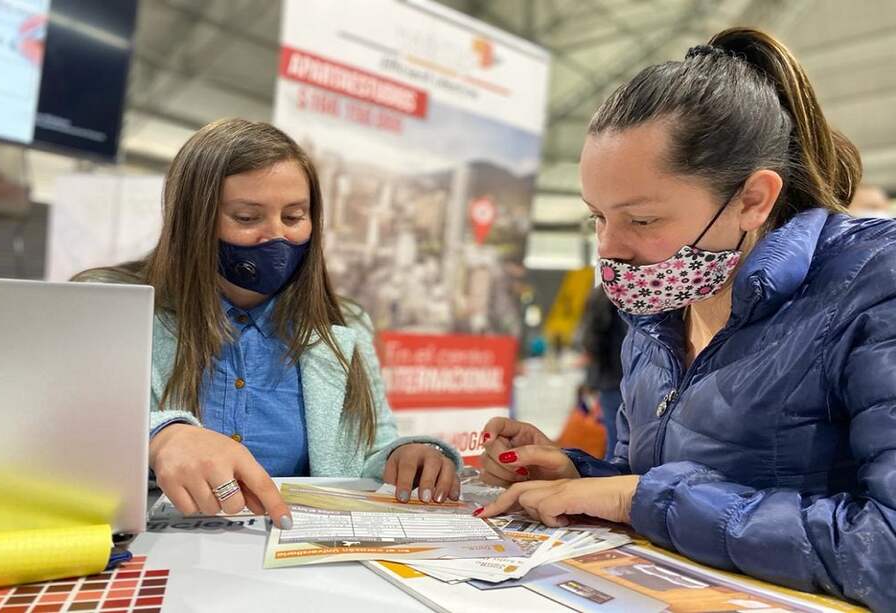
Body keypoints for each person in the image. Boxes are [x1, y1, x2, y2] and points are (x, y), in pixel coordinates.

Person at [476, 28, 895, 609]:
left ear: (753, 200)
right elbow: (655, 473)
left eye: (642, 221)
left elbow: (887, 550)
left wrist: (639, 500)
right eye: (597, 217)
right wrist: (579, 474)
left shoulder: (876, 284)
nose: (610, 249)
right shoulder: (657, 311)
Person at [76, 119, 461, 529]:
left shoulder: (344, 324)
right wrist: (161, 436)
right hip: (145, 555)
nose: (275, 237)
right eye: (246, 217)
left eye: (294, 217)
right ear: (193, 221)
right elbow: (64, 427)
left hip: (292, 557)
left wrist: (408, 456)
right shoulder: (110, 304)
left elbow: (370, 451)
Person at [580, 284, 627, 459]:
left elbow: (590, 340)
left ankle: (611, 478)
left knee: (615, 441)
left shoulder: (599, 294)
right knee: (621, 444)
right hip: (620, 376)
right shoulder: (622, 296)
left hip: (608, 378)